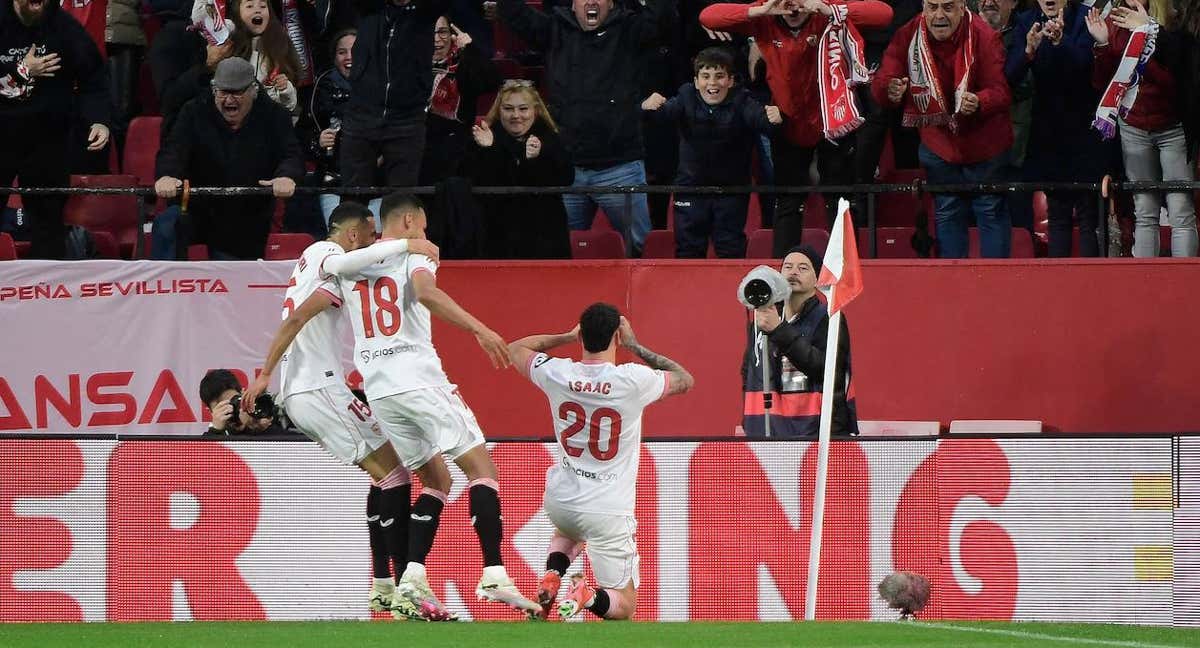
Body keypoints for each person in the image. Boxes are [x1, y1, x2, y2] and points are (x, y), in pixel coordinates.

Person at [324, 192, 539, 619]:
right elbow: (425, 294)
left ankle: (411, 576)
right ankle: (494, 571)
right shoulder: (415, 255)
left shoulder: (351, 265)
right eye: (422, 225)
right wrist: (482, 329)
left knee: (436, 480)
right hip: (419, 380)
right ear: (408, 222)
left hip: (381, 391)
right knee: (482, 469)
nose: (426, 234)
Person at [241, 202, 443, 618]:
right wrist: (264, 374)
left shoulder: (311, 257)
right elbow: (296, 319)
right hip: (319, 388)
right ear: (353, 237)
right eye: (370, 235)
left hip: (310, 390)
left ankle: (383, 585)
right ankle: (405, 588)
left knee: (387, 472)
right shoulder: (332, 258)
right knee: (396, 476)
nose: (374, 243)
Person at [506, 304, 693, 620]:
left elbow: (515, 349)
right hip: (608, 509)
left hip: (561, 501)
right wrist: (635, 346)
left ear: (581, 335)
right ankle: (588, 596)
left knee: (570, 530)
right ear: (617, 336)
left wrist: (565, 336)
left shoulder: (558, 372)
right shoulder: (632, 380)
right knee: (625, 604)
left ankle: (553, 576)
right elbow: (684, 379)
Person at [700, 0, 894, 256]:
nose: (793, 8)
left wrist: (828, 9)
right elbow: (709, 16)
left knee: (840, 201)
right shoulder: (765, 18)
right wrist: (760, 10)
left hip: (831, 120)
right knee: (788, 203)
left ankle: (846, 271)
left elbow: (884, 14)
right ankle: (784, 276)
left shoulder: (826, 13)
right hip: (788, 123)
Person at [496, 0, 675, 256]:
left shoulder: (630, 29)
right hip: (566, 169)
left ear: (612, 3)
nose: (591, 2)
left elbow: (663, 15)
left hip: (620, 167)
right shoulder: (554, 28)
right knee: (559, 250)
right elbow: (513, 12)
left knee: (640, 250)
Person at [872, 0, 1014, 258]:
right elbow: (883, 80)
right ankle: (953, 288)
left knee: (990, 212)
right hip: (939, 146)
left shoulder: (985, 36)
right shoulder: (907, 35)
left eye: (948, 7)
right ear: (923, 8)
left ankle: (998, 287)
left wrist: (981, 101)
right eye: (932, 7)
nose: (939, 15)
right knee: (947, 212)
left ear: (963, 7)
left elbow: (1002, 91)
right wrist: (888, 89)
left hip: (986, 146)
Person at [154, 57, 304, 260]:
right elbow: (174, 149)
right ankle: (165, 287)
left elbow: (291, 155)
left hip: (247, 216)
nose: (229, 100)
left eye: (237, 93)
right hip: (198, 209)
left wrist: (287, 176)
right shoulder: (193, 111)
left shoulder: (275, 115)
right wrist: (167, 175)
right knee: (168, 223)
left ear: (253, 90)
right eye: (223, 92)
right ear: (214, 90)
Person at [641, 46, 782, 258]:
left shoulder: (743, 101)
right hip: (690, 190)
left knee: (731, 251)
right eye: (705, 76)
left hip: (731, 193)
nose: (713, 83)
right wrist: (647, 107)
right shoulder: (685, 96)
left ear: (731, 80)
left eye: (719, 76)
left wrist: (774, 119)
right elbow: (659, 116)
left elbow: (765, 123)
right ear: (697, 82)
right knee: (688, 252)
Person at [0, 0, 111, 260]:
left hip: (48, 137)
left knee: (48, 224)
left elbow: (94, 80)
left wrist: (98, 120)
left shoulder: (65, 28)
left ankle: (46, 293)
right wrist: (22, 71)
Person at [1089, 0, 1196, 257]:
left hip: (1172, 126)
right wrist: (1103, 45)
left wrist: (1149, 31)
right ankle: (1147, 285)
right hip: (1134, 127)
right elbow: (1103, 83)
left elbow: (1180, 81)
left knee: (1180, 208)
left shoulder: (1175, 19)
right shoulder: (1117, 20)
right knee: (1144, 209)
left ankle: (1186, 287)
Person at [1007, 0, 1113, 256]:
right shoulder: (1025, 21)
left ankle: (1091, 287)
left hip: (1085, 130)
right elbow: (1009, 76)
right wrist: (1029, 51)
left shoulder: (1088, 17)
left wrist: (1060, 42)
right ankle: (1060, 287)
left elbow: (1088, 68)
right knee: (1058, 215)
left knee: (1089, 217)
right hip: (1048, 133)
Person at [741, 245, 858, 437]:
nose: (793, 272)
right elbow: (749, 373)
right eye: (787, 267)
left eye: (803, 268)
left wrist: (779, 331)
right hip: (768, 431)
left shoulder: (829, 317)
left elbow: (827, 371)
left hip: (816, 432)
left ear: (818, 279)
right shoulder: (762, 319)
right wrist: (750, 422)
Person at [340, 0, 444, 196]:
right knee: (352, 199)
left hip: (407, 119)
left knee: (401, 202)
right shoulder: (369, 7)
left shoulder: (425, 11)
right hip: (361, 114)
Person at [467, 81, 574, 259]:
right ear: (499, 110)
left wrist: (538, 158)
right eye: (508, 109)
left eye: (523, 109)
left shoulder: (551, 139)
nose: (516, 115)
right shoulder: (483, 138)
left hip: (545, 237)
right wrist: (489, 149)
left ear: (536, 110)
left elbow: (566, 178)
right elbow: (481, 184)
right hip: (499, 237)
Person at [420, 16, 501, 184]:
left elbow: (492, 82)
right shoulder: (410, 64)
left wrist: (470, 49)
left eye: (442, 32)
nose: (436, 39)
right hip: (417, 147)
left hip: (455, 150)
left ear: (452, 35)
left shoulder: (465, 64)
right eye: (430, 32)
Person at [230, 0, 303, 117]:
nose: (257, 10)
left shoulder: (281, 42)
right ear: (237, 13)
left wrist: (286, 89)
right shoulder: (228, 45)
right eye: (249, 6)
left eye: (263, 6)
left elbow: (291, 106)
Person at [199, 369, 286, 436]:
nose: (231, 409)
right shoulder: (210, 439)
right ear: (210, 411)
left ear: (242, 393)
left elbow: (294, 447)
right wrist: (215, 431)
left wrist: (257, 429)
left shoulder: (260, 422)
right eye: (223, 407)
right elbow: (205, 458)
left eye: (234, 401)